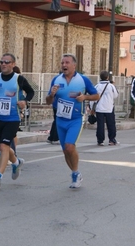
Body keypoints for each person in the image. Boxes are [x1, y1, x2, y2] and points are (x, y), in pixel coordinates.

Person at [0, 53, 34, 189]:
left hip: (13, 118)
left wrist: (25, 101)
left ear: (13, 64)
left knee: (4, 146)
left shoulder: (19, 79)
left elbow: (31, 92)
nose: (3, 64)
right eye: (2, 62)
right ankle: (16, 162)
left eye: (7, 62)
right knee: (3, 146)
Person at [50, 53, 99, 189]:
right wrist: (52, 94)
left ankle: (75, 172)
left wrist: (85, 98)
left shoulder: (83, 80)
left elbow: (96, 95)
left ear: (74, 65)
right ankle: (75, 173)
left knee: (70, 146)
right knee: (66, 150)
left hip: (76, 119)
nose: (64, 65)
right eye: (62, 63)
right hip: (60, 119)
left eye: (67, 63)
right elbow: (48, 101)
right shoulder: (56, 80)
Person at [90, 70, 119, 146]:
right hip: (109, 108)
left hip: (99, 108)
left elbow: (93, 98)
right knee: (111, 124)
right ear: (107, 77)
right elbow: (116, 95)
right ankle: (112, 139)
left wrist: (91, 108)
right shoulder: (111, 86)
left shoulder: (96, 86)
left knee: (100, 125)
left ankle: (100, 140)